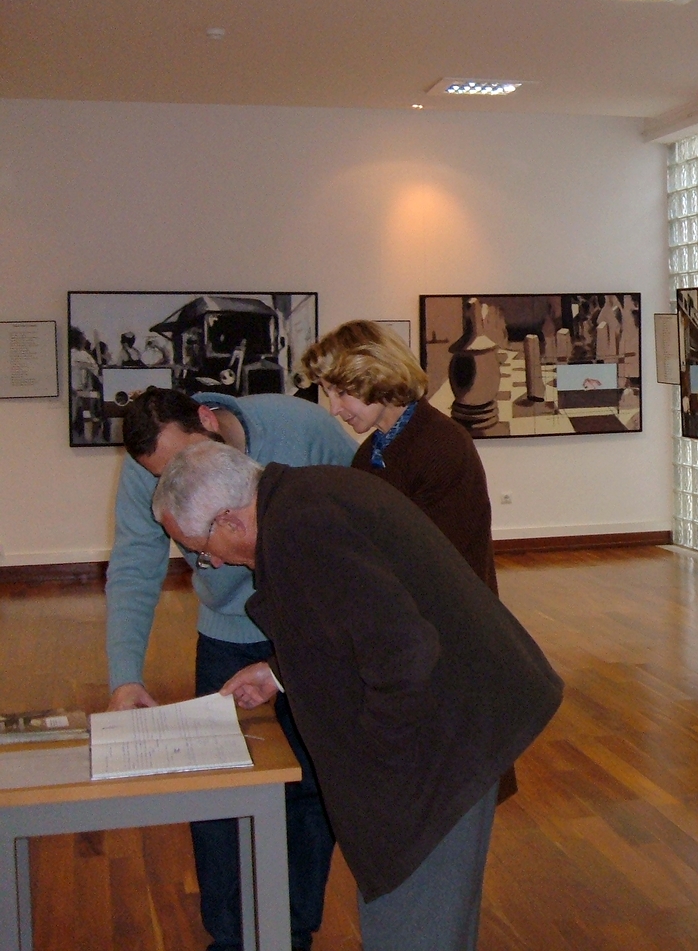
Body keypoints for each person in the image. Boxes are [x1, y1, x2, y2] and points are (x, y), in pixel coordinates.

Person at [152, 443, 564, 951]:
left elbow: (404, 653)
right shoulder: (302, 498)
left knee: (410, 927)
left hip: (443, 741)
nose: (208, 561)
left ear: (231, 521)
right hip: (453, 719)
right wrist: (279, 673)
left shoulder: (302, 530)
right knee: (430, 922)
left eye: (200, 549)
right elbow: (353, 621)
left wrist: (381, 771)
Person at [106, 386, 356, 951]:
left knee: (311, 791)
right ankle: (228, 936)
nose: (175, 482)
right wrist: (126, 677)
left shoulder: (303, 429)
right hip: (228, 634)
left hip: (314, 633)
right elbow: (134, 567)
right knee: (217, 792)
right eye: (162, 475)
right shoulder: (142, 468)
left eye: (183, 463)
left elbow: (360, 523)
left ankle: (290, 932)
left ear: (206, 419)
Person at [299, 319, 497, 593]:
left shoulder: (442, 445)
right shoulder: (369, 453)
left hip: (453, 618)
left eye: (342, 392)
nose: (334, 408)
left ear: (377, 375)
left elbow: (435, 562)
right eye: (328, 392)